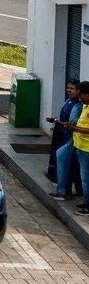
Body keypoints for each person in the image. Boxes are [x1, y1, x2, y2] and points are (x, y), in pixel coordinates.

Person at [47, 79, 83, 200]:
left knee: (63, 159)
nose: (69, 90)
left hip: (72, 139)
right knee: (72, 165)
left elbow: (72, 124)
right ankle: (74, 190)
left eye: (72, 88)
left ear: (78, 91)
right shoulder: (68, 101)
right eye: (68, 88)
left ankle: (63, 191)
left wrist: (59, 122)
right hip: (64, 137)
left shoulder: (78, 105)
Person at [63, 81, 89, 216]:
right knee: (84, 178)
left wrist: (75, 128)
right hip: (80, 147)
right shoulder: (85, 106)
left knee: (86, 179)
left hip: (87, 149)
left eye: (81, 95)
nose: (80, 98)